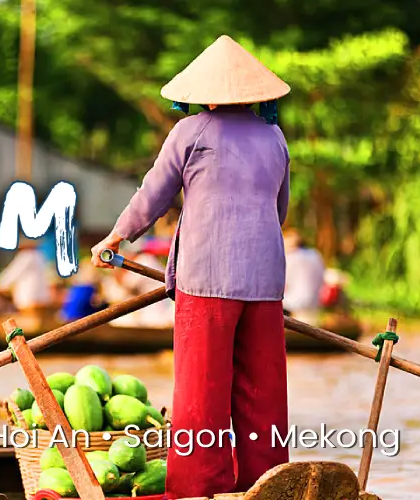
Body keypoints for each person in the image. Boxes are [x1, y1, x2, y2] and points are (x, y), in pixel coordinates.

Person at [91, 35, 291, 498]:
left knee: (202, 393)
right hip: (265, 280)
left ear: (207, 93)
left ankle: (199, 488)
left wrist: (116, 238)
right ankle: (266, 486)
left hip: (206, 280)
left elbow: (153, 195)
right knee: (263, 393)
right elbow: (279, 210)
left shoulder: (191, 131)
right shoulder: (275, 137)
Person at [0, 238, 54, 311]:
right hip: (42, 297)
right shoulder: (40, 256)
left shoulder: (26, 256)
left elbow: (12, 274)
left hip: (28, 297)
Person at [282, 229, 325, 325]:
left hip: (293, 308)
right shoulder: (316, 255)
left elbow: (282, 285)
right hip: (315, 306)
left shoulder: (290, 258)